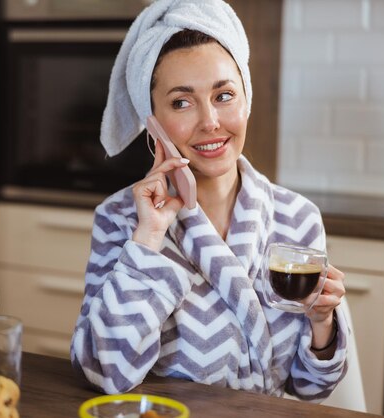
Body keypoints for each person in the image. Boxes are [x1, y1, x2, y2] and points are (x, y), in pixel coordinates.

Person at [70, 0, 348, 402]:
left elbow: (310, 389)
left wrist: (322, 323)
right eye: (181, 102)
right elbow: (105, 374)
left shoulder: (297, 218)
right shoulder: (120, 220)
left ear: (246, 99)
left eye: (224, 95)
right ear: (153, 121)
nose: (210, 122)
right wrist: (148, 237)